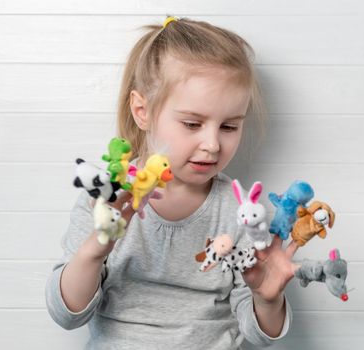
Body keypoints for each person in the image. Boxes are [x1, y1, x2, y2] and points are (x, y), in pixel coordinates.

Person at [45, 16, 301, 349]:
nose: (212, 144)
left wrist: (267, 299)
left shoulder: (243, 212)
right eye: (193, 124)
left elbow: (260, 333)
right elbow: (68, 314)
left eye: (229, 127)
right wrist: (94, 252)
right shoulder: (109, 199)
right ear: (142, 111)